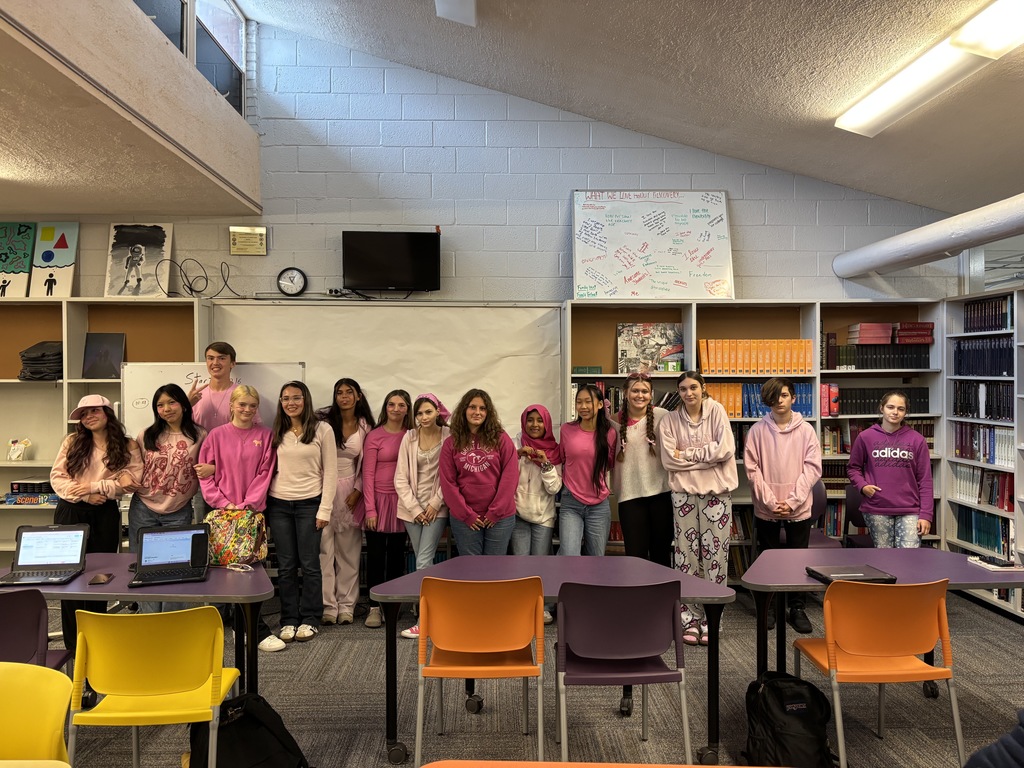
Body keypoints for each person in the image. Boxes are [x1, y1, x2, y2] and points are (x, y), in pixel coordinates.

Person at [50, 394, 143, 650]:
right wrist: (86, 493)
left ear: (107, 413)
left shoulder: (127, 445)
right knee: (68, 576)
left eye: (94, 411)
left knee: (100, 576)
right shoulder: (73, 441)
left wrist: (94, 488)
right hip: (71, 511)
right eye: (83, 414)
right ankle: (73, 646)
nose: (88, 416)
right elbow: (58, 478)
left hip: (105, 512)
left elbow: (132, 483)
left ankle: (98, 641)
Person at [658, 371, 738, 646]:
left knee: (716, 556)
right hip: (684, 495)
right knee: (685, 557)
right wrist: (706, 457)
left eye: (693, 387)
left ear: (703, 388)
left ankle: (711, 617)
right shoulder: (669, 420)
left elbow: (725, 450)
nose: (689, 393)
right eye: (683, 389)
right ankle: (689, 618)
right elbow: (669, 460)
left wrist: (688, 456)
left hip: (717, 493)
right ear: (678, 392)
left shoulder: (717, 411)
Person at [198, 385, 279, 650]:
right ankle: (227, 626)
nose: (246, 410)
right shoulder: (215, 436)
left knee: (252, 569)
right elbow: (206, 476)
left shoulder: (266, 436)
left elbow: (265, 473)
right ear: (231, 405)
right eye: (241, 404)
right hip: (221, 514)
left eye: (252, 406)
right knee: (222, 571)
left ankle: (251, 628)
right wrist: (225, 503)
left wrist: (247, 505)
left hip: (251, 514)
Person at [744, 376, 823, 634]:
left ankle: (796, 607)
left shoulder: (807, 430)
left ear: (794, 398)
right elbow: (752, 470)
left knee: (798, 560)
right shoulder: (757, 430)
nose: (780, 400)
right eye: (775, 396)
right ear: (768, 399)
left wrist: (791, 502)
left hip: (798, 508)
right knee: (768, 559)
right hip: (766, 508)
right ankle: (770, 606)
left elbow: (812, 470)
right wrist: (770, 501)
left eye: (785, 395)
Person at [125, 383, 212, 613]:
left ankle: (173, 620)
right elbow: (133, 468)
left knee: (177, 566)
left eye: (172, 402)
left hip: (179, 509)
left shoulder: (200, 435)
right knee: (144, 566)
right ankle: (149, 619)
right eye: (160, 405)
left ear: (184, 404)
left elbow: (210, 464)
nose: (166, 409)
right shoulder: (147, 435)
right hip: (143, 507)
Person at [265, 381, 337, 644]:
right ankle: (289, 620)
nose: (290, 403)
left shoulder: (322, 429)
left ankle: (310, 618)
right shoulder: (276, 431)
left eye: (296, 398)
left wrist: (324, 509)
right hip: (279, 504)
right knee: (285, 567)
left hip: (310, 504)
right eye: (285, 398)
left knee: (310, 565)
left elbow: (331, 471)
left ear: (306, 400)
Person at [317, 377, 374, 626]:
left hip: (351, 490)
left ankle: (347, 606)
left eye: (349, 392)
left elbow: (368, 464)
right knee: (324, 551)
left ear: (358, 396)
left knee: (349, 552)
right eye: (339, 392)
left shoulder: (366, 426)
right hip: (323, 489)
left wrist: (358, 490)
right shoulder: (322, 421)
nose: (343, 397)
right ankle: (328, 606)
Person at [355, 389, 413, 629]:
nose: (396, 409)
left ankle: (394, 604)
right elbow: (366, 474)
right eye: (392, 404)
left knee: (398, 557)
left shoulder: (413, 435)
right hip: (377, 502)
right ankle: (374, 607)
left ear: (408, 409)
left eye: (402, 405)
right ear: (385, 408)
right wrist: (370, 509)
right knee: (377, 558)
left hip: (402, 503)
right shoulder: (375, 436)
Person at [394, 393, 451, 639]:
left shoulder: (449, 436)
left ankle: (424, 621)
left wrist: (434, 503)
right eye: (419, 413)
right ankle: (435, 612)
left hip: (437, 509)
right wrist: (416, 510)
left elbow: (450, 475)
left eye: (428, 412)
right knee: (422, 561)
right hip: (411, 511)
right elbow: (400, 478)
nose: (423, 417)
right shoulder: (409, 437)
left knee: (424, 561)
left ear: (438, 412)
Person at [847, 390, 933, 548]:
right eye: (890, 407)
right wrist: (863, 486)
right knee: (884, 558)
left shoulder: (917, 440)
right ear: (882, 408)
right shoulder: (866, 437)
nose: (895, 412)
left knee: (909, 557)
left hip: (910, 509)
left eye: (901, 409)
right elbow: (853, 468)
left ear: (906, 412)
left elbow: (925, 480)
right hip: (877, 508)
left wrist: (926, 514)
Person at [439, 388, 519, 557]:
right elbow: (448, 483)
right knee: (471, 570)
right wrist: (466, 514)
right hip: (465, 518)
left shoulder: (501, 438)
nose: (477, 412)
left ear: (488, 412)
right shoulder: (451, 443)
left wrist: (495, 512)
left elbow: (510, 477)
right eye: (472, 407)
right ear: (464, 410)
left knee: (495, 568)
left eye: (482, 408)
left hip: (500, 517)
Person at [612, 372, 673, 566]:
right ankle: (637, 595)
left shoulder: (663, 416)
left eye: (645, 391)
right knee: (635, 556)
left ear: (651, 394)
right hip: (630, 498)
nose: (640, 395)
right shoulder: (612, 422)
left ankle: (662, 595)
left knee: (661, 553)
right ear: (625, 393)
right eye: (635, 390)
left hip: (661, 494)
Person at [511, 403, 562, 624]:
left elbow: (554, 488)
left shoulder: (556, 450)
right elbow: (504, 478)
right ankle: (522, 606)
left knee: (541, 563)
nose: (534, 425)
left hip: (543, 517)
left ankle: (544, 607)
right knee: (521, 563)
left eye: (539, 420)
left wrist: (546, 465)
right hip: (518, 515)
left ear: (547, 423)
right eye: (530, 420)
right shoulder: (515, 445)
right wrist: (516, 456)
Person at [557, 383, 617, 557]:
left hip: (599, 504)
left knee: (596, 558)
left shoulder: (609, 433)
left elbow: (610, 463)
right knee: (569, 555)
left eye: (588, 402)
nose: (583, 407)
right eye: (579, 402)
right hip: (571, 502)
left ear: (599, 404)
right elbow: (562, 459)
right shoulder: (567, 429)